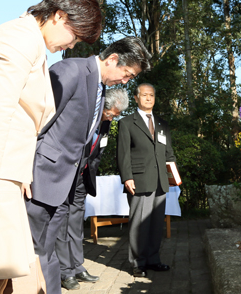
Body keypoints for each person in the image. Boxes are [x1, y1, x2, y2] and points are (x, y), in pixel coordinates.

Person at [0, 0, 102, 294]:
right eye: (75, 35)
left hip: (5, 175)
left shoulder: (31, 42)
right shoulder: (21, 38)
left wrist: (20, 173)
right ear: (59, 16)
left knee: (9, 274)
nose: (72, 45)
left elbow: (21, 121)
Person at [27, 37, 151, 294]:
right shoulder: (70, 71)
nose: (126, 81)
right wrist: (23, 173)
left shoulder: (100, 88)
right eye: (127, 74)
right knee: (33, 254)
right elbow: (35, 125)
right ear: (113, 59)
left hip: (65, 184)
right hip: (41, 179)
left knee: (47, 252)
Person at [56, 88, 129, 290]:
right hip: (65, 176)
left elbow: (96, 153)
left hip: (81, 179)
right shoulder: (84, 117)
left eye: (117, 115)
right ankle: (65, 271)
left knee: (76, 222)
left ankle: (78, 266)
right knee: (61, 223)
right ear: (103, 106)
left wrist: (88, 175)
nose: (113, 119)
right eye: (112, 114)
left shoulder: (105, 123)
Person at [117, 83, 176, 278]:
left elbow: (169, 153)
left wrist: (173, 173)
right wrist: (127, 177)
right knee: (139, 224)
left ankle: (153, 259)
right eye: (144, 95)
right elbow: (123, 154)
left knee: (156, 223)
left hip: (160, 181)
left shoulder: (162, 124)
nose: (149, 98)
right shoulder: (126, 123)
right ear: (136, 98)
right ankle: (137, 263)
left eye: (151, 95)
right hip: (139, 180)